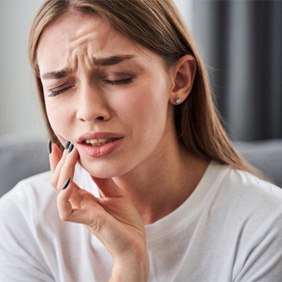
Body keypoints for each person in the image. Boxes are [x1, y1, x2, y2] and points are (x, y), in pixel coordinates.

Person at [0, 0, 282, 281]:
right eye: (60, 88)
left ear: (180, 80)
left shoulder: (267, 224)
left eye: (117, 78)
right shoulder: (23, 220)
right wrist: (128, 264)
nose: (88, 110)